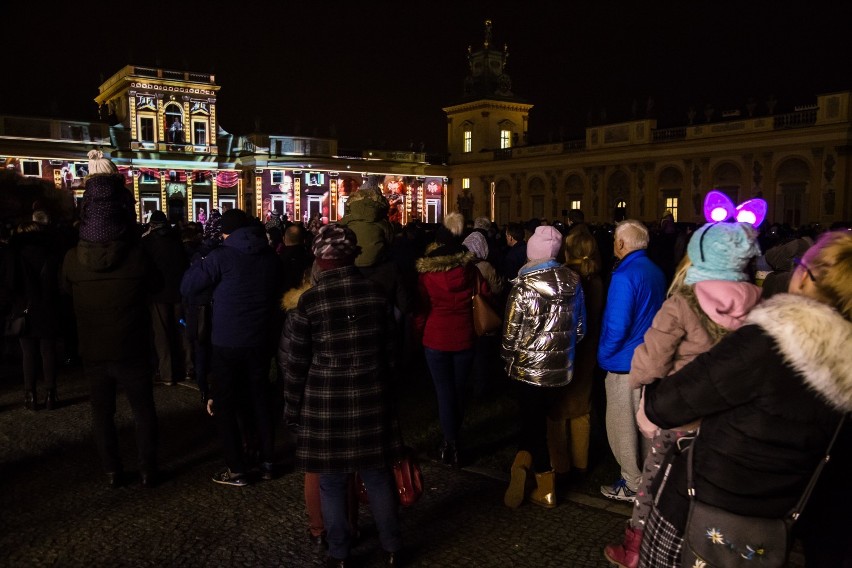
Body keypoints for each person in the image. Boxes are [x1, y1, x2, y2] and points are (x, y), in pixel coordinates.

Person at [639, 230, 852, 568]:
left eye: (800, 265)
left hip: (711, 503)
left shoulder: (768, 342)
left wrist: (656, 375)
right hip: (778, 516)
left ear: (809, 279)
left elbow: (665, 404)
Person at [604, 221, 762, 568]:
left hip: (681, 410)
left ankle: (636, 548)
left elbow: (653, 358)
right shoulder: (758, 302)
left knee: (654, 485)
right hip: (730, 415)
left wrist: (639, 384)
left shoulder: (684, 302)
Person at [284, 224, 402, 567]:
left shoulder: (310, 302)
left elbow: (296, 364)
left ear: (320, 258)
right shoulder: (376, 294)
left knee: (332, 482)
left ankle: (340, 553)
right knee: (377, 477)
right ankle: (392, 547)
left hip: (326, 402)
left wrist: (293, 408)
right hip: (371, 394)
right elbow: (392, 351)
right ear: (353, 255)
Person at [60, 149, 161, 488]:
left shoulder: (72, 260)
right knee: (143, 410)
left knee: (102, 413)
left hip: (93, 349)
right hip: (132, 346)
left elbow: (64, 294)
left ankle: (112, 470)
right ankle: (148, 469)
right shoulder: (137, 257)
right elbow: (157, 287)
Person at [181, 208, 284, 486]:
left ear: (225, 232)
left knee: (226, 403)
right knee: (260, 398)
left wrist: (203, 255)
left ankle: (237, 467)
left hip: (227, 340)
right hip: (261, 339)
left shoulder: (220, 256)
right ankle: (267, 461)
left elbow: (188, 286)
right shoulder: (270, 257)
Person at [502, 225, 586, 509]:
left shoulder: (524, 286)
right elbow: (581, 328)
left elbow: (510, 334)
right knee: (535, 421)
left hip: (527, 369)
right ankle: (521, 465)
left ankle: (545, 486)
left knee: (533, 425)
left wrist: (506, 358)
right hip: (561, 369)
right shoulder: (573, 281)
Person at [598, 219, 666, 502]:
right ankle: (648, 480)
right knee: (643, 425)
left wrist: (604, 354)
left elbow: (617, 324)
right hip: (648, 356)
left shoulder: (624, 275)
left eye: (616, 238)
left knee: (621, 425)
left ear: (622, 244)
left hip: (624, 361)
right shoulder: (654, 270)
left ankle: (631, 482)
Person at [415, 212, 485, 467]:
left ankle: (450, 444)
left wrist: (419, 331)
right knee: (457, 390)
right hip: (464, 335)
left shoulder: (427, 276)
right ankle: (454, 440)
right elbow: (485, 295)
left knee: (444, 392)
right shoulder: (471, 271)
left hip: (436, 337)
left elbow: (422, 307)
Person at [546, 225, 604, 483]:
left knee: (557, 411)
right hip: (589, 349)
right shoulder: (597, 278)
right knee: (582, 408)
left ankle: (560, 465)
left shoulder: (566, 278)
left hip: (566, 349)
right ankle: (581, 463)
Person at [6, 218, 63, 410]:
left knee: (28, 354)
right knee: (48, 352)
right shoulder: (51, 254)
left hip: (24, 309)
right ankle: (51, 394)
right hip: (47, 308)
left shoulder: (16, 255)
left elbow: (12, 285)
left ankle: (30, 395)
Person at [141, 210, 189, 386]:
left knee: (161, 334)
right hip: (178, 292)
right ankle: (187, 368)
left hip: (158, 294)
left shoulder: (147, 242)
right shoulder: (176, 240)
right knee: (180, 330)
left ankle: (167, 373)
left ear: (151, 225)